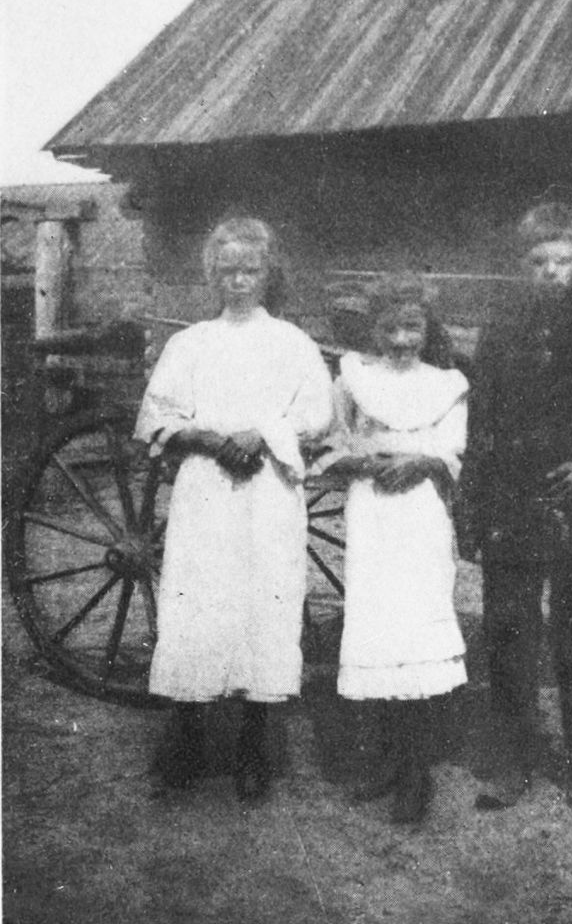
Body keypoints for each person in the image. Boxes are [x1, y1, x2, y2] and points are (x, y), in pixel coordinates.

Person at [134, 216, 333, 802]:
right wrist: (206, 437)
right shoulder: (191, 344)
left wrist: (262, 432)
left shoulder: (291, 343)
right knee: (197, 600)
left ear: (268, 274)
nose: (239, 281)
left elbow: (316, 413)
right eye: (227, 271)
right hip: (205, 491)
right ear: (212, 275)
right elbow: (157, 414)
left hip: (267, 491)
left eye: (250, 270)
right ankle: (188, 734)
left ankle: (253, 743)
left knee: (262, 602)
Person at [457, 203, 572, 813]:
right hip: (513, 496)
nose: (551, 271)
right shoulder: (502, 328)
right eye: (538, 261)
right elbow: (480, 418)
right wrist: (475, 501)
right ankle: (512, 763)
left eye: (563, 260)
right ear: (521, 267)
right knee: (508, 631)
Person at [320, 273, 469, 823]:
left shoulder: (448, 385)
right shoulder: (354, 378)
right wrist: (362, 459)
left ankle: (415, 771)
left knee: (415, 625)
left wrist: (421, 461)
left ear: (427, 330)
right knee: (378, 625)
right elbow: (333, 440)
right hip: (373, 510)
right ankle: (387, 760)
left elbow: (453, 450)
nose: (402, 340)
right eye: (391, 329)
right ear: (374, 330)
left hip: (421, 511)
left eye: (413, 328)